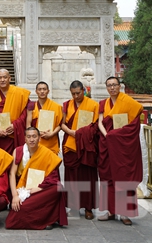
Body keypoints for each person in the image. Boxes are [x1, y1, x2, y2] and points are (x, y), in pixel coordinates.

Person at [97, 76, 144, 225]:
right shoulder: (103, 103)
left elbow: (133, 126)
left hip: (123, 147)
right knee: (108, 177)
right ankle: (111, 211)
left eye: (114, 85)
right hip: (107, 143)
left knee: (124, 176)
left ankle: (125, 213)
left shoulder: (128, 102)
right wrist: (107, 136)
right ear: (106, 88)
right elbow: (100, 122)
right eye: (109, 85)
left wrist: (114, 135)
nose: (112, 88)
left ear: (119, 86)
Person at [5, 127, 68, 230]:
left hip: (40, 190)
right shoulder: (18, 151)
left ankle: (48, 219)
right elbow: (12, 174)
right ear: (25, 139)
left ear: (39, 138)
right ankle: (44, 220)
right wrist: (15, 196)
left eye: (34, 136)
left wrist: (38, 188)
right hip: (22, 189)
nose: (31, 139)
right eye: (29, 137)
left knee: (58, 188)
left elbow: (53, 177)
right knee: (19, 211)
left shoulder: (46, 153)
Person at [61, 80, 100, 220]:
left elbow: (96, 126)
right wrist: (71, 132)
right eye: (73, 94)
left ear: (83, 90)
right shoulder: (66, 105)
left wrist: (80, 133)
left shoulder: (93, 105)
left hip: (86, 145)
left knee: (88, 177)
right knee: (72, 178)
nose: (76, 96)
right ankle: (73, 207)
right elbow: (62, 124)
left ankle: (88, 208)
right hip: (71, 143)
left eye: (78, 93)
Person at [0, 69, 30, 154]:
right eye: (0, 78)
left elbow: (25, 113)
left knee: (14, 158)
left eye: (5, 77)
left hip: (14, 134)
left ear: (10, 78)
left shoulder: (20, 93)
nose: (2, 80)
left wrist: (15, 125)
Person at [25, 81, 62, 154]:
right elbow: (28, 124)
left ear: (48, 91)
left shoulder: (56, 106)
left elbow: (60, 124)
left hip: (51, 142)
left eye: (44, 89)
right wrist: (35, 134)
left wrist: (52, 134)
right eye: (40, 89)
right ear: (36, 91)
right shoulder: (32, 106)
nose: (42, 91)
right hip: (36, 142)